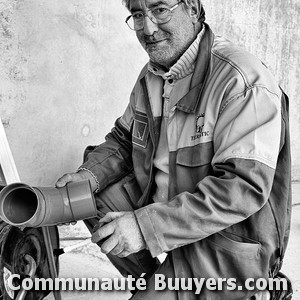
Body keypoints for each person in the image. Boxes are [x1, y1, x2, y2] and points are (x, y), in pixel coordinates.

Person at [56, 0, 292, 299]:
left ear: (192, 9)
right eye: (138, 15)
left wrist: (145, 227)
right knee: (89, 194)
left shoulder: (242, 81)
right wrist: (87, 176)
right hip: (171, 216)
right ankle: (159, 284)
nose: (148, 28)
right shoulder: (152, 76)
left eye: (159, 10)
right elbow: (124, 140)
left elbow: (242, 188)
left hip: (223, 241)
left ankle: (255, 290)